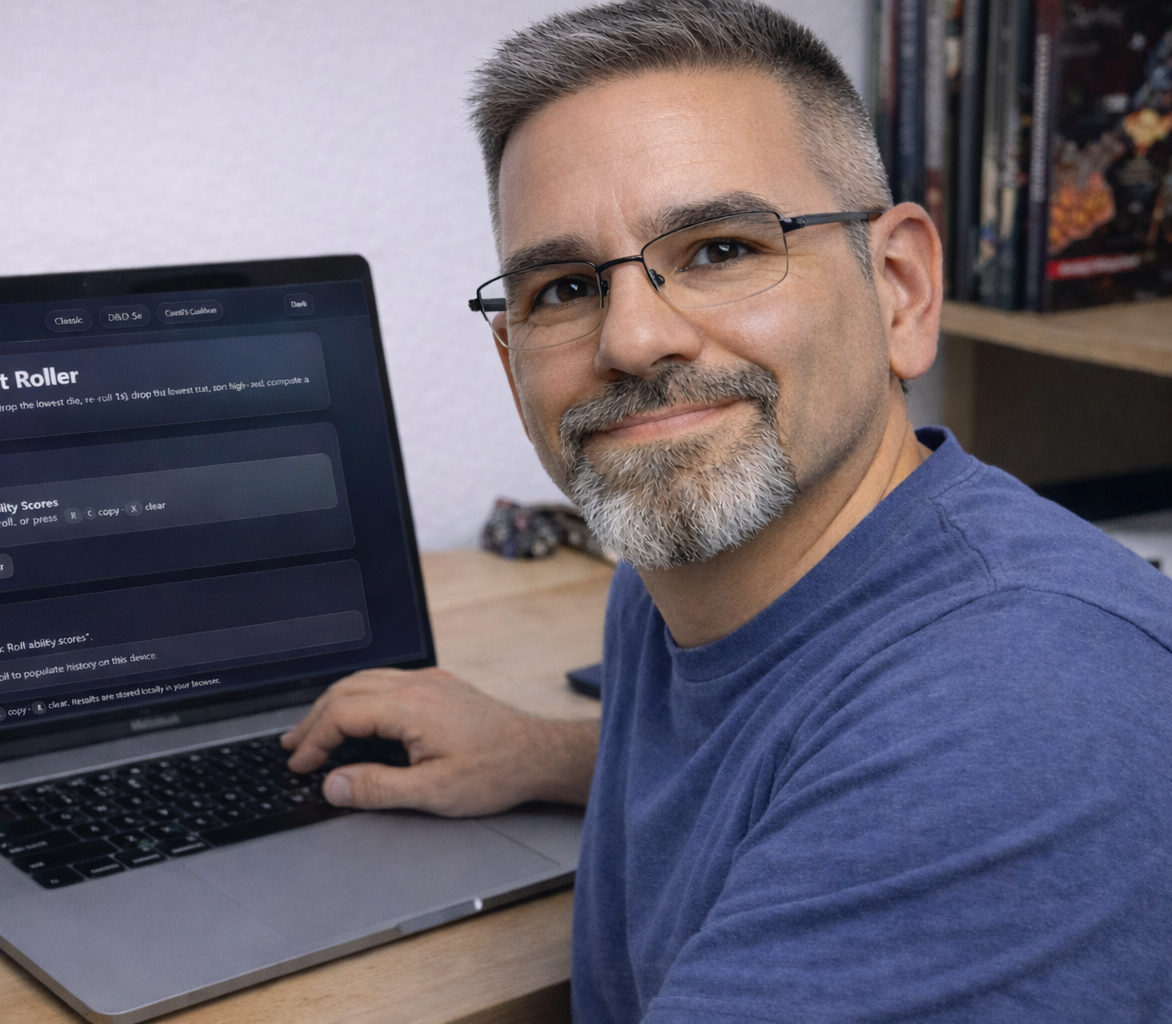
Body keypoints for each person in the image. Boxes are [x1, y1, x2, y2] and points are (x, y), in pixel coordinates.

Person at [282, 1, 1172, 1019]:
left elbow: (921, 772)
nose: (633, 338)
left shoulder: (1017, 722)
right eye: (565, 287)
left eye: (718, 249)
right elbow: (773, 754)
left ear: (900, 290)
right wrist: (546, 753)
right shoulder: (682, 572)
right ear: (511, 357)